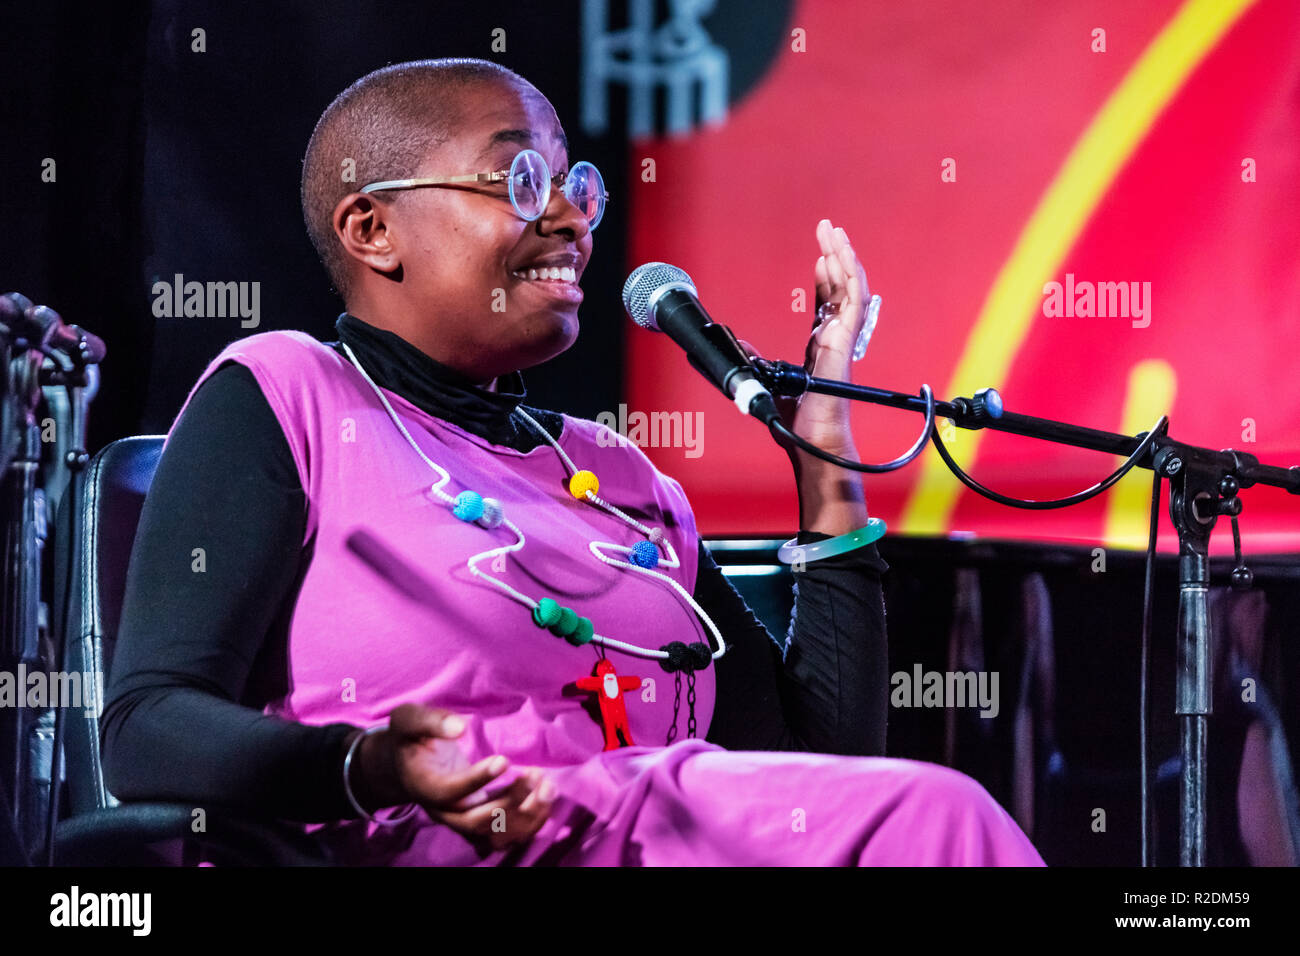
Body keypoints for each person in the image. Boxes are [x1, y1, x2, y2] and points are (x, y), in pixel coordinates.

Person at [100, 57, 1044, 866]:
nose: (570, 220)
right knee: (937, 815)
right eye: (517, 183)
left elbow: (825, 775)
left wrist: (823, 451)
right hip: (438, 849)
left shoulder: (617, 475)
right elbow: (146, 727)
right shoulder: (289, 391)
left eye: (573, 186)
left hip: (660, 830)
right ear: (371, 229)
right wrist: (370, 765)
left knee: (925, 818)